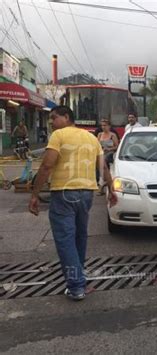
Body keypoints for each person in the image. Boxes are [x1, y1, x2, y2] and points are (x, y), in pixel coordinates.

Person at [28, 105, 117, 301]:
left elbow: (47, 165)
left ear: (66, 117)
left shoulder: (59, 136)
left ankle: (76, 286)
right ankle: (79, 277)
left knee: (65, 239)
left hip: (64, 193)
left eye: (54, 118)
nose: (51, 122)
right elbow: (102, 167)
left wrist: (34, 194)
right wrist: (111, 189)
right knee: (79, 236)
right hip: (86, 194)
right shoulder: (92, 138)